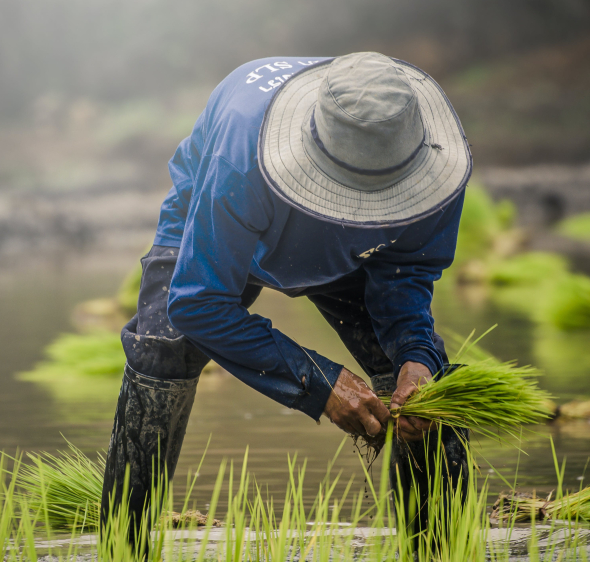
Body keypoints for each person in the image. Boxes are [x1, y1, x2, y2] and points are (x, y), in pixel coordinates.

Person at [100, 51, 472, 547]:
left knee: (429, 391)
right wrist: (319, 383)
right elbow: (196, 303)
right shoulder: (241, 159)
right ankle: (123, 546)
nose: (361, 207)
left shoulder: (431, 164)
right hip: (231, 223)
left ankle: (439, 549)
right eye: (352, 196)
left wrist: (416, 357)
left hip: (355, 253)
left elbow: (406, 273)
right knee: (162, 345)